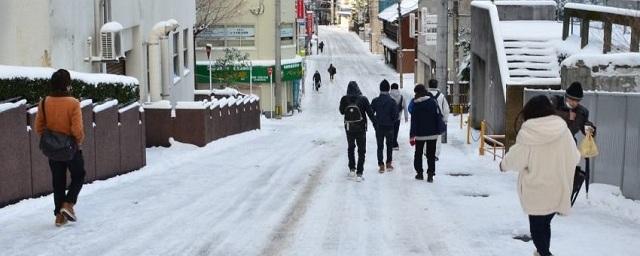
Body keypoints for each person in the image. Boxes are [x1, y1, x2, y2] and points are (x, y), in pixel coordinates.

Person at [500, 95, 581, 256]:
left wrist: (503, 165)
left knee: (537, 228)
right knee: (545, 225)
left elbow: (516, 158)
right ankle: (542, 252)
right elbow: (575, 157)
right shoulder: (563, 129)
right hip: (557, 188)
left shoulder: (529, 132)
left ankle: (544, 254)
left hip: (537, 191)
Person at [35, 69, 86, 227]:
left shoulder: (44, 102)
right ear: (67, 85)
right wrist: (78, 141)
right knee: (79, 175)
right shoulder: (73, 103)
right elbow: (77, 129)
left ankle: (59, 216)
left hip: (53, 149)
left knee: (58, 181)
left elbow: (39, 126)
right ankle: (68, 204)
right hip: (70, 147)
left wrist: (51, 140)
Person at [550, 82, 596, 205]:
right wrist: (567, 116)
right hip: (550, 143)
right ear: (566, 96)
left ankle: (563, 199)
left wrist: (590, 129)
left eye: (577, 100)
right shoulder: (555, 102)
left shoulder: (582, 112)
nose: (574, 103)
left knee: (567, 173)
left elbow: (584, 129)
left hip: (568, 145)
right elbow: (545, 115)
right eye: (572, 99)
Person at [339, 81, 376, 182]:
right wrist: (375, 124)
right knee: (361, 150)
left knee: (351, 148)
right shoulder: (363, 99)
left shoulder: (344, 99)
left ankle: (352, 169)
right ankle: (359, 173)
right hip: (361, 128)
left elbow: (342, 111)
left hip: (349, 128)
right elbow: (370, 113)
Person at [408, 84, 441, 182]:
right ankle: (430, 175)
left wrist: (412, 136)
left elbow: (413, 122)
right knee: (431, 154)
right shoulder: (433, 102)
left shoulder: (416, 105)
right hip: (432, 134)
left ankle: (419, 173)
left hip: (419, 135)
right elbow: (438, 116)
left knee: (418, 154)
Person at [371, 80, 399, 173]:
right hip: (390, 127)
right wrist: (391, 121)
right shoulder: (392, 101)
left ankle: (381, 165)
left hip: (379, 126)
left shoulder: (375, 101)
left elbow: (371, 113)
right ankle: (389, 163)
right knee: (389, 145)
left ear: (380, 88)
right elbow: (396, 116)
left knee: (380, 146)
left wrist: (375, 122)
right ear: (388, 89)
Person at [427, 79, 450, 161]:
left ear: (429, 85)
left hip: (427, 120)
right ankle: (435, 155)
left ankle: (427, 152)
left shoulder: (425, 95)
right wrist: (445, 120)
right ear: (436, 86)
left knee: (427, 136)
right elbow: (446, 109)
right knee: (437, 138)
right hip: (438, 120)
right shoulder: (441, 96)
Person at [389, 83, 409, 150]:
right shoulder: (401, 97)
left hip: (389, 117)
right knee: (396, 130)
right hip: (398, 117)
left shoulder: (388, 96)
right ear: (397, 88)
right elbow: (405, 107)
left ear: (391, 88)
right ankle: (394, 143)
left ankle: (391, 143)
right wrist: (406, 117)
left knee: (390, 130)